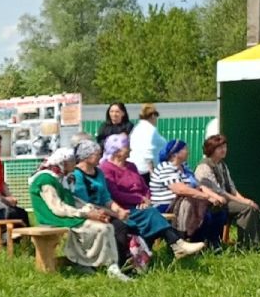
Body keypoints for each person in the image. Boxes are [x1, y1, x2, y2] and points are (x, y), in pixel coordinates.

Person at [71, 136, 202, 263]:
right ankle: (172, 246)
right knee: (141, 219)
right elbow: (97, 200)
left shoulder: (103, 171)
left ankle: (149, 255)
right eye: (96, 153)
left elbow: (110, 196)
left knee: (148, 213)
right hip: (99, 212)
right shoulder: (98, 170)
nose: (99, 156)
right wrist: (127, 206)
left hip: (124, 208)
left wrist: (146, 200)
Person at [28, 145, 128, 278]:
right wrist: (85, 214)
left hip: (68, 214)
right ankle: (87, 263)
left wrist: (93, 211)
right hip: (54, 217)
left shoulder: (64, 177)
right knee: (101, 229)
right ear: (63, 162)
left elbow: (73, 200)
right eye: (71, 161)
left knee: (107, 227)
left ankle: (108, 265)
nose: (74, 164)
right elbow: (57, 207)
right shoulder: (45, 179)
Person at [194, 134, 260, 249]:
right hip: (213, 202)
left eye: (225, 147)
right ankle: (246, 244)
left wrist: (245, 200)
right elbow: (218, 191)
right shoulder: (204, 166)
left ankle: (258, 241)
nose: (224, 150)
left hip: (225, 199)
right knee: (246, 208)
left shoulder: (222, 165)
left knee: (252, 206)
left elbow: (231, 188)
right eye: (220, 148)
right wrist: (244, 203)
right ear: (211, 149)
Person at [149, 138, 226, 241]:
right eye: (185, 149)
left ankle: (211, 243)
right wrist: (207, 197)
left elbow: (199, 187)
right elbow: (180, 189)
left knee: (217, 208)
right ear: (175, 154)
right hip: (166, 205)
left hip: (184, 202)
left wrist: (215, 197)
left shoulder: (185, 168)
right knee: (195, 201)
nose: (188, 151)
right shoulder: (166, 167)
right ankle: (184, 238)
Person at [130, 104, 162, 176]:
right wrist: (152, 170)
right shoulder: (149, 129)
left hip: (138, 167)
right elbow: (148, 149)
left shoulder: (138, 128)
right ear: (153, 116)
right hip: (146, 170)